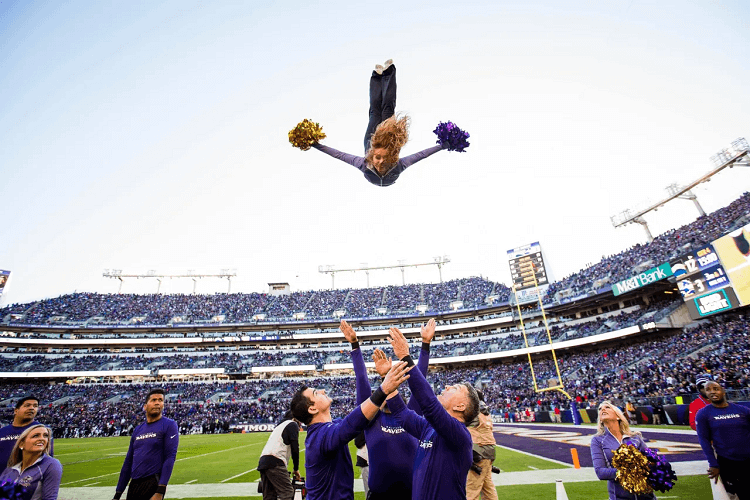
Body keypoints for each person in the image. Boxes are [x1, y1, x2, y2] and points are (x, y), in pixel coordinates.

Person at [309, 60, 454, 187]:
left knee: (374, 113)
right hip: (389, 138)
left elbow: (339, 155)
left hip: (371, 140)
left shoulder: (364, 165)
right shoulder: (398, 167)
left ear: (372, 156)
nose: (380, 162)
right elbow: (421, 155)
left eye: (378, 158)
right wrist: (442, 146)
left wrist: (316, 145)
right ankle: (389, 71)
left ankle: (377, 76)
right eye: (382, 159)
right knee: (387, 109)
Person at [291, 358, 411, 500]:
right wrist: (383, 389)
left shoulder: (328, 427)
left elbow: (362, 415)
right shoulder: (320, 436)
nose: (323, 390)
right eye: (316, 393)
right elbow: (352, 424)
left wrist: (386, 384)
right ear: (312, 408)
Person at [340, 318, 434, 500]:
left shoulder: (411, 417)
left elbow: (420, 380)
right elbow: (362, 381)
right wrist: (354, 345)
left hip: (412, 495)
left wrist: (426, 344)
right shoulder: (372, 420)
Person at [386, 326, 479, 500]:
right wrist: (387, 380)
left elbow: (429, 404)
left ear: (460, 406)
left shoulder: (459, 434)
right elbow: (402, 415)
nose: (447, 386)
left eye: (455, 388)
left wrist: (405, 357)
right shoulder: (429, 428)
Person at [112, 388, 179, 500]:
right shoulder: (138, 430)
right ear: (145, 406)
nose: (157, 403)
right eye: (153, 400)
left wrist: (160, 491)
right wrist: (117, 494)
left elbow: (170, 457)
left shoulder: (169, 425)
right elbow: (128, 462)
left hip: (153, 482)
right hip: (134, 484)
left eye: (160, 400)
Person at [695, 381, 750, 499]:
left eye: (715, 388)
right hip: (727, 462)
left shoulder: (743, 410)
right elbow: (704, 440)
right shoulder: (703, 414)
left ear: (723, 391)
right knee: (739, 495)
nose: (712, 392)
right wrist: (713, 464)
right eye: (708, 390)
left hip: (748, 459)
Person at [590, 401, 655, 500]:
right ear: (600, 420)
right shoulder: (598, 440)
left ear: (618, 416)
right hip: (619, 497)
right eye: (600, 409)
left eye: (607, 407)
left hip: (647, 496)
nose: (602, 409)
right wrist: (626, 472)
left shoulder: (635, 437)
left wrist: (651, 466)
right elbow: (600, 472)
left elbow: (652, 460)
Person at [0, 424, 62, 500]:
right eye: (36, 436)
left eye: (45, 436)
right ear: (21, 444)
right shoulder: (9, 470)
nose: (42, 439)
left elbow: (49, 498)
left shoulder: (51, 464)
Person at [257, 410, 302, 500]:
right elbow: (295, 448)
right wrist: (296, 469)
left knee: (269, 496)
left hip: (263, 461)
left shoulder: (279, 426)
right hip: (275, 461)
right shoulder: (292, 424)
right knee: (287, 492)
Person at [0, 395, 52, 467]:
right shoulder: (2, 432)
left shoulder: (42, 431)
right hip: (4, 477)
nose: (32, 408)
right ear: (16, 411)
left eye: (35, 406)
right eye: (27, 405)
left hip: (28, 477)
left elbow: (48, 458)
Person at [466, 390, 498, 500]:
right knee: (488, 488)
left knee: (472, 489)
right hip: (489, 452)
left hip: (478, 452)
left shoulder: (473, 412)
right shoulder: (485, 412)